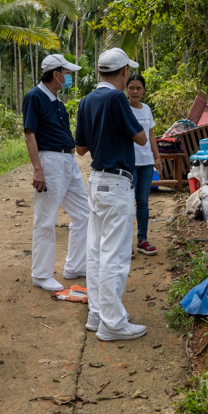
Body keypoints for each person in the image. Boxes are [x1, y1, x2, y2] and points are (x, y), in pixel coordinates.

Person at [75, 48, 148, 341]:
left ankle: (97, 313)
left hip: (95, 181)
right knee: (114, 256)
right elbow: (140, 138)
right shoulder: (117, 98)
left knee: (95, 253)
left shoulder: (86, 101)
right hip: (116, 183)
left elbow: (80, 148)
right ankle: (113, 323)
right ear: (124, 72)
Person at [22, 54, 89, 292]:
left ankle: (75, 265)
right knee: (46, 219)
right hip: (49, 160)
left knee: (84, 212)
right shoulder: (35, 97)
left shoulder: (57, 101)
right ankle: (40, 274)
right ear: (56, 74)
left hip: (67, 160)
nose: (69, 77)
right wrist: (37, 169)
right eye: (67, 73)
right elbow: (30, 134)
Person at [126, 74, 162, 256]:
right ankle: (126, 244)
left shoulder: (147, 109)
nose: (135, 91)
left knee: (143, 202)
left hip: (146, 162)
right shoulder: (123, 108)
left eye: (138, 88)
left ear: (144, 91)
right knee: (126, 203)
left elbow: (151, 135)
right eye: (131, 88)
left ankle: (142, 240)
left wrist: (157, 156)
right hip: (129, 163)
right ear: (126, 89)